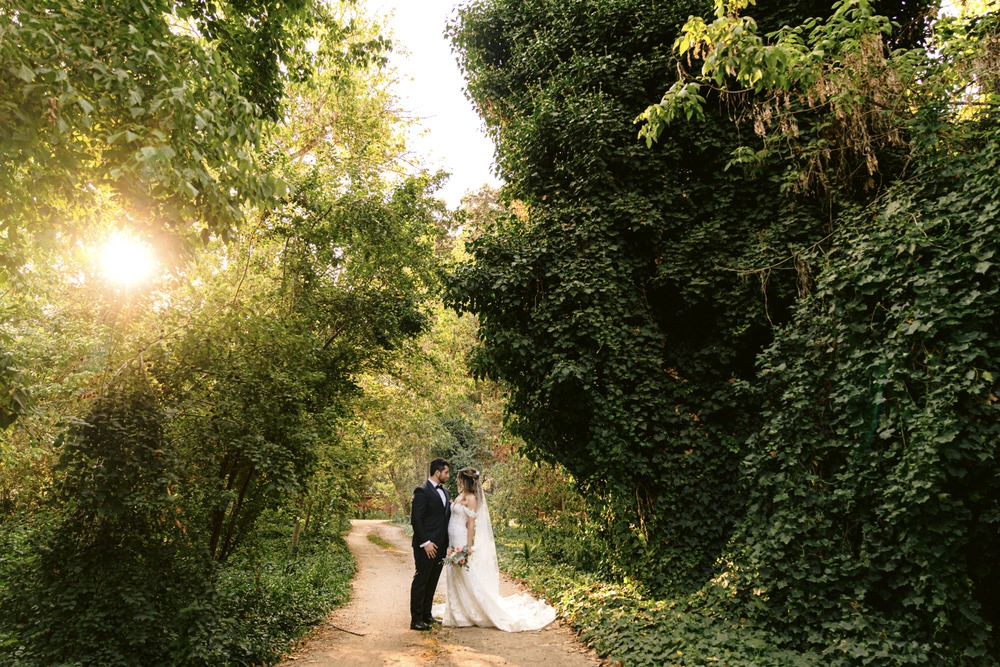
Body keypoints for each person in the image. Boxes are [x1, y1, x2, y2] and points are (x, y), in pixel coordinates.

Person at [433, 467, 556, 632]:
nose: (456, 481)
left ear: (465, 480)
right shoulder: (460, 495)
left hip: (461, 538)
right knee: (454, 574)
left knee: (464, 574)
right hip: (452, 538)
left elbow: (470, 525)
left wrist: (468, 546)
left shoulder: (471, 498)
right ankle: (456, 611)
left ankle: (468, 611)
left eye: (459, 478)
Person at [409, 458, 451, 631]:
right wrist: (426, 542)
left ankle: (427, 615)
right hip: (425, 546)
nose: (448, 475)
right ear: (437, 472)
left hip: (441, 546)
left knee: (432, 582)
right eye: (446, 472)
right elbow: (416, 519)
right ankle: (416, 619)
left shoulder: (446, 493)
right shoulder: (422, 491)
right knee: (421, 580)